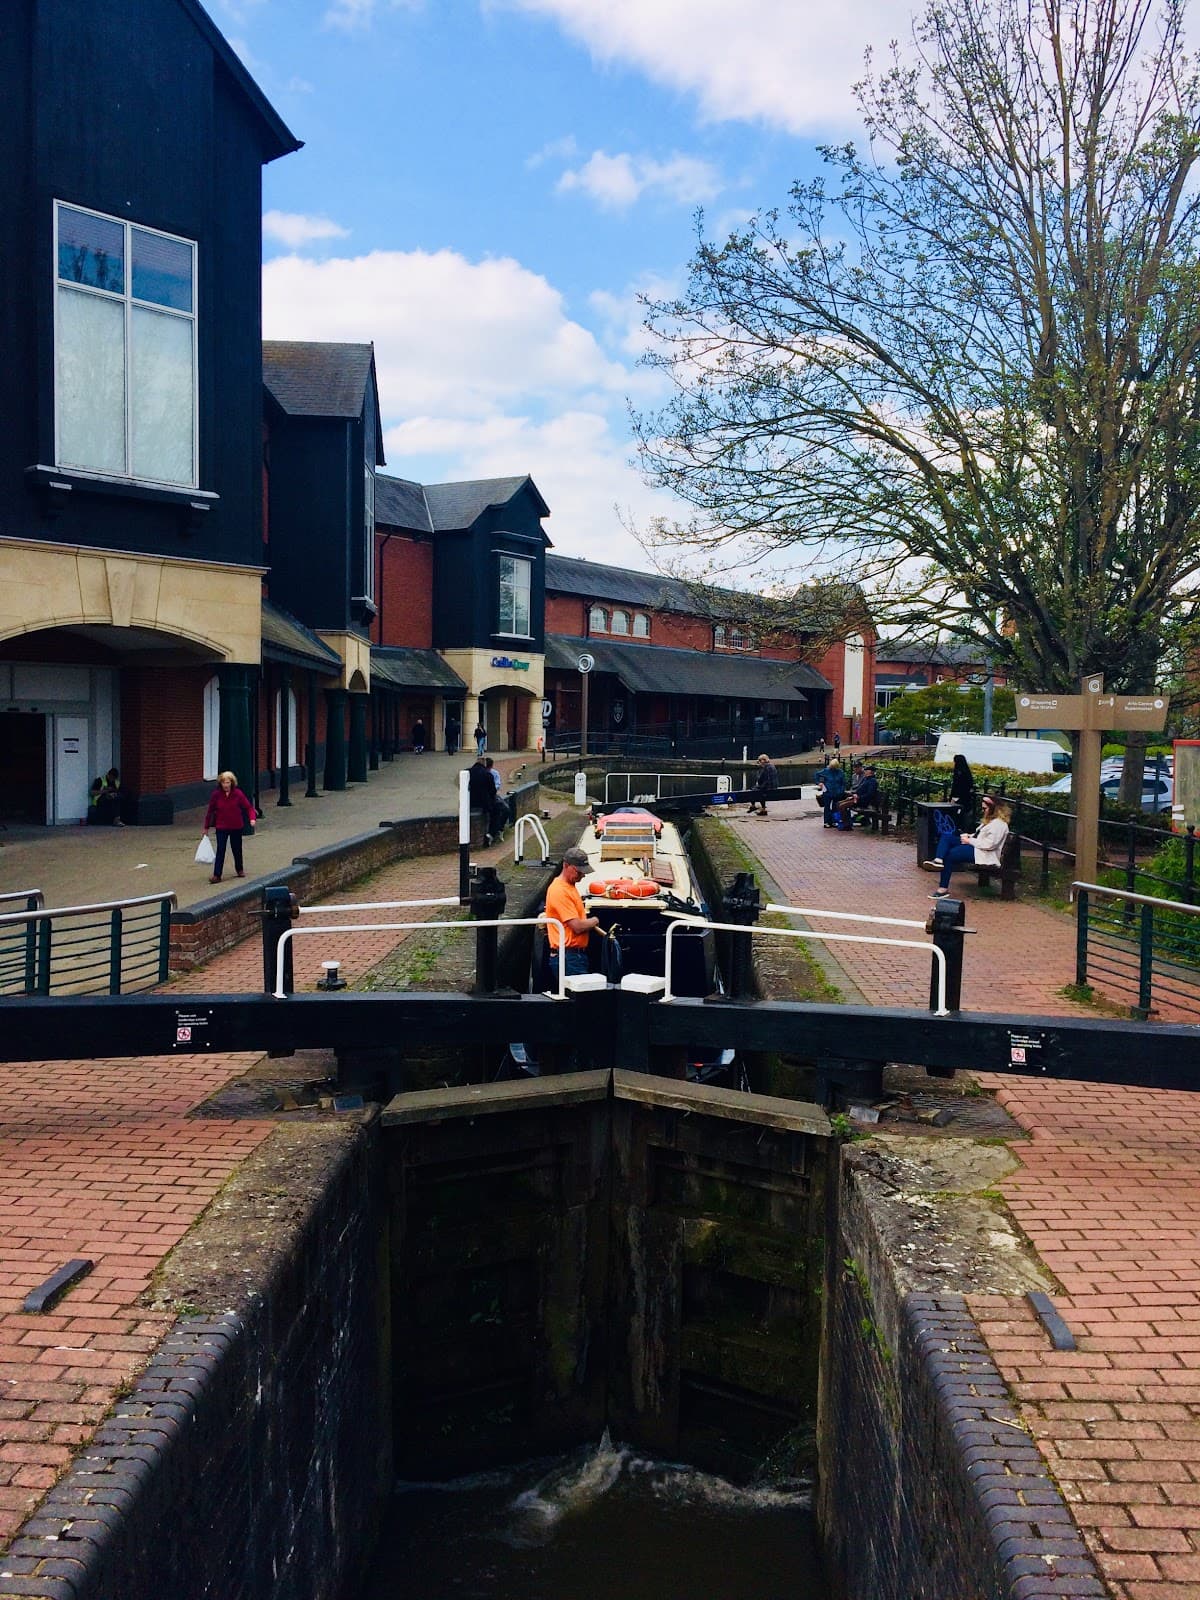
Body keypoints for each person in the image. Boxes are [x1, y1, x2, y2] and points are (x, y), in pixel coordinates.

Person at [928, 795, 1011, 895]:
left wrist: (969, 840)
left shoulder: (999, 824)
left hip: (984, 854)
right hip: (977, 847)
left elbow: (989, 845)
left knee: (950, 854)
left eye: (985, 808)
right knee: (946, 837)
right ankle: (938, 860)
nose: (983, 811)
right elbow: (980, 835)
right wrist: (969, 836)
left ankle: (943, 888)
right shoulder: (990, 821)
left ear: (994, 809)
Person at [544, 846, 600, 983]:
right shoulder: (560, 891)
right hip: (568, 958)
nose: (582, 875)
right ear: (566, 865)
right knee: (581, 995)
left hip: (572, 956)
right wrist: (594, 920)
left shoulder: (569, 887)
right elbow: (577, 926)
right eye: (578, 871)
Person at [203, 770, 255, 884]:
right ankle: (217, 875)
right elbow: (210, 811)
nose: (226, 785)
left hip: (236, 826)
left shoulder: (238, 794)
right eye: (223, 783)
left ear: (232, 783)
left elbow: (249, 807)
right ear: (220, 784)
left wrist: (252, 819)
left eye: (228, 783)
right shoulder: (216, 795)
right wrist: (206, 827)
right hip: (221, 826)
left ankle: (239, 869)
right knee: (220, 849)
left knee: (237, 848)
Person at [836, 764, 879, 829]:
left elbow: (870, 794)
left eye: (866, 770)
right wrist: (853, 795)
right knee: (839, 803)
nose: (865, 771)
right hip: (857, 798)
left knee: (842, 806)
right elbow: (859, 789)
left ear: (870, 772)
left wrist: (858, 797)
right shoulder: (865, 779)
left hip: (863, 801)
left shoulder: (872, 781)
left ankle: (846, 825)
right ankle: (847, 822)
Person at [467, 755, 498, 842]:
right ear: (484, 764)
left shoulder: (467, 772)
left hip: (469, 802)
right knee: (496, 811)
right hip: (484, 804)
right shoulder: (488, 774)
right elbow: (493, 791)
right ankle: (491, 834)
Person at [815, 754, 846, 827]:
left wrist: (841, 791)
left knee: (835, 807)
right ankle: (826, 822)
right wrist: (819, 783)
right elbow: (817, 775)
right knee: (827, 807)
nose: (833, 769)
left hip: (837, 792)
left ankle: (833, 821)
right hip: (827, 792)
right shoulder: (826, 771)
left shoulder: (840, 772)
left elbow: (843, 783)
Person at [484, 756, 510, 839]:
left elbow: (497, 785)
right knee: (497, 810)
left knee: (505, 809)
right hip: (484, 796)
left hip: (492, 795)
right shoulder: (482, 773)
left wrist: (492, 790)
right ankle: (493, 832)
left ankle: (500, 829)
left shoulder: (494, 773)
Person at [949, 753, 975, 818]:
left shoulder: (958, 771)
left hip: (958, 795)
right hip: (966, 795)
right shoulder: (966, 771)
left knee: (956, 812)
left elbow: (955, 785)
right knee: (962, 811)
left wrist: (951, 796)